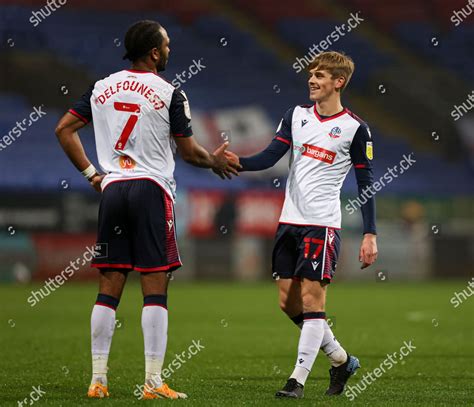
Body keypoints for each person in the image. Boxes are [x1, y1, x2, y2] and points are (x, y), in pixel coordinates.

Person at [55, 20, 240, 400]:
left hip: (113, 189)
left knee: (109, 287)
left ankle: (98, 381)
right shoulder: (170, 92)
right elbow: (189, 153)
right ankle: (153, 382)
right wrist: (215, 162)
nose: (170, 50)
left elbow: (63, 130)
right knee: (155, 285)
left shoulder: (100, 86)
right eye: (167, 45)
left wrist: (93, 175)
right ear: (155, 52)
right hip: (151, 190)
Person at [226, 51, 378, 399]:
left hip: (321, 225)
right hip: (288, 223)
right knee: (287, 302)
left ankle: (296, 381)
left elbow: (366, 184)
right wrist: (238, 163)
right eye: (311, 74)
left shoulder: (356, 129)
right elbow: (269, 156)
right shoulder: (295, 116)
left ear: (338, 82)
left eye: (321, 75)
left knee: (313, 300)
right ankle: (341, 359)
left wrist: (370, 233)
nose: (312, 80)